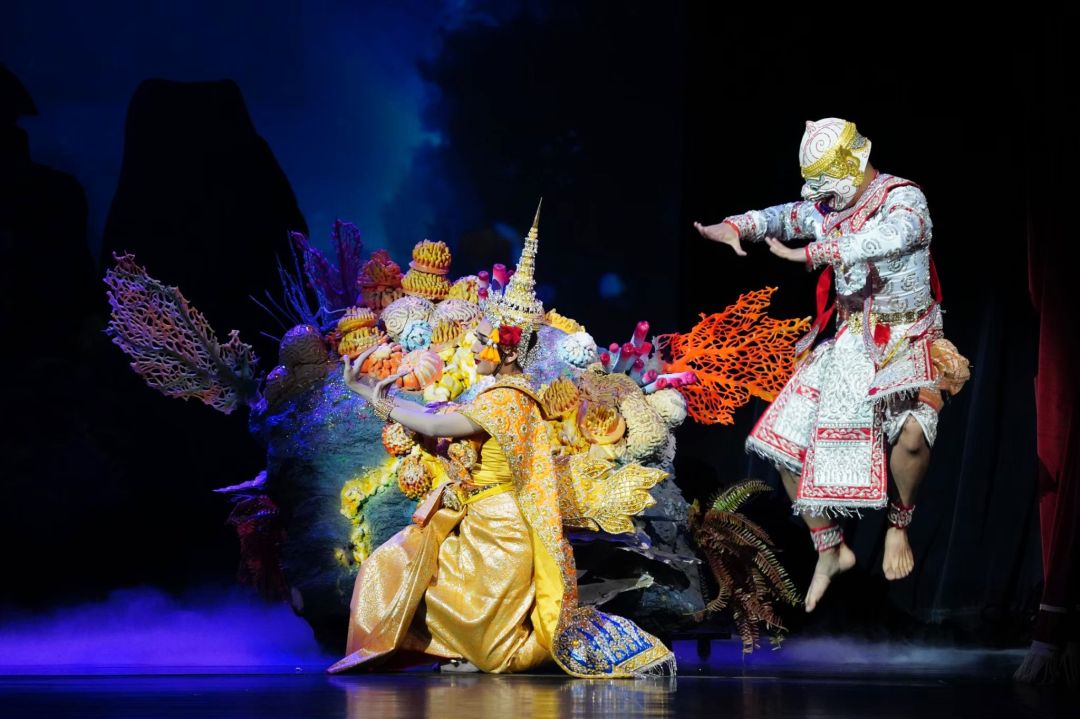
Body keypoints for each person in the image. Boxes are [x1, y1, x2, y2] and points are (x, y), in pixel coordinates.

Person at [329, 209, 675, 677]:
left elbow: (437, 424)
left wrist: (373, 397)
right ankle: (452, 648)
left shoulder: (507, 401)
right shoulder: (501, 394)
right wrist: (375, 393)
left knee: (476, 632)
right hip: (480, 520)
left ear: (506, 350)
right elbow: (440, 422)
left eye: (480, 341)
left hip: (499, 532)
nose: (471, 348)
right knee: (398, 569)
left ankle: (473, 650)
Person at [694, 118, 968, 612]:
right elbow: (782, 217)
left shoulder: (903, 198)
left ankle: (898, 525)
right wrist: (735, 226)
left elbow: (891, 237)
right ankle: (830, 548)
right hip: (850, 342)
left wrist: (817, 253)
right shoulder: (828, 206)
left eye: (826, 186)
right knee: (782, 446)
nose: (821, 199)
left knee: (911, 436)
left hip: (909, 338)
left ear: (853, 168)